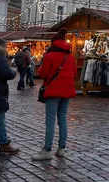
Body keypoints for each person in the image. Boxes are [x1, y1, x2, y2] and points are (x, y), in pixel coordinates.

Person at [32, 28, 77, 160]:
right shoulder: (70, 56)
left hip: (53, 91)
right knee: (62, 120)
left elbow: (43, 74)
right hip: (67, 91)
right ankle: (61, 149)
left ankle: (47, 150)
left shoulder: (49, 56)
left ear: (53, 43)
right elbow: (74, 74)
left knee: (50, 121)